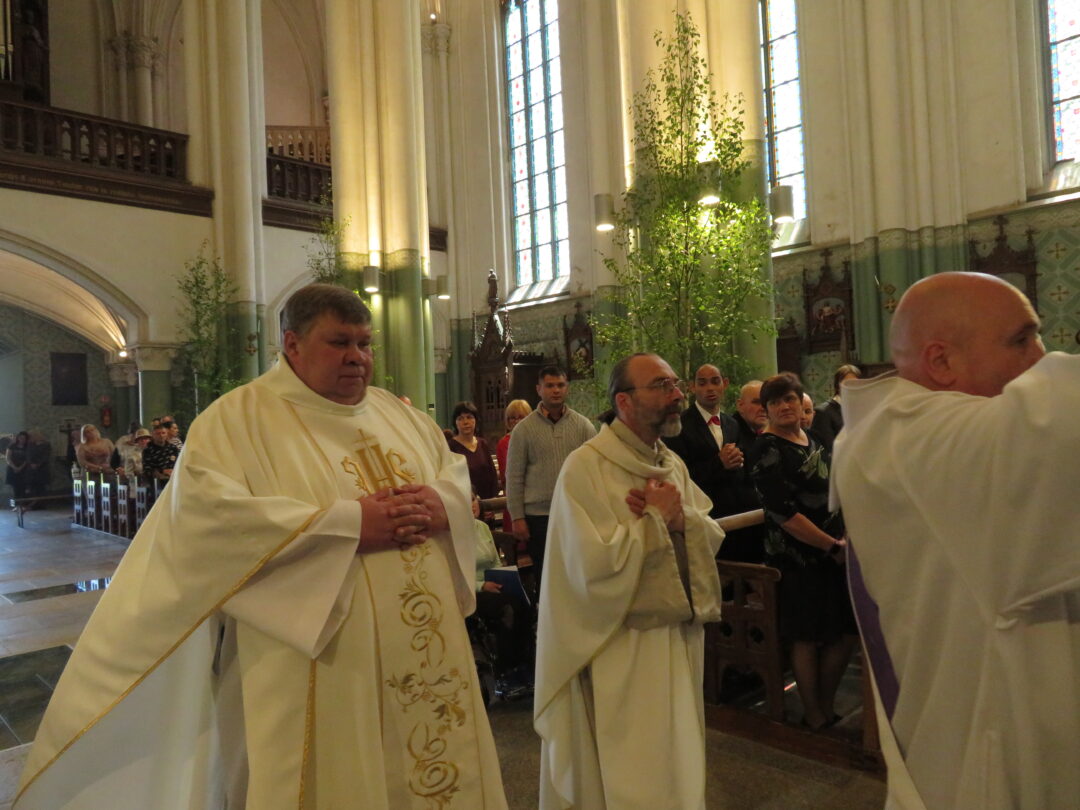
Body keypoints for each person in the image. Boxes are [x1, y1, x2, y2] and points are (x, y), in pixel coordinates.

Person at [15, 283, 507, 810]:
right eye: (339, 343)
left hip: (428, 652)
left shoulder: (401, 416)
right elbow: (209, 523)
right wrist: (349, 525)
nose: (358, 358)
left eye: (365, 343)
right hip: (317, 659)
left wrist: (443, 504)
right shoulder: (236, 421)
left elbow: (452, 476)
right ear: (292, 344)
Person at [831, 271, 1079, 810]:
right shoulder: (909, 436)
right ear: (941, 362)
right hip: (987, 759)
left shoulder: (892, 429)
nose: (1041, 357)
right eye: (1022, 340)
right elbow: (1061, 419)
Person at [535, 353, 724, 810]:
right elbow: (587, 568)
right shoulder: (586, 468)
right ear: (624, 401)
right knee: (632, 764)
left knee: (677, 753)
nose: (677, 395)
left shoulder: (671, 464)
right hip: (619, 645)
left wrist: (679, 521)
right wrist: (656, 522)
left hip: (675, 635)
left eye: (675, 384)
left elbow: (707, 529)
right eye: (661, 386)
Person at [749, 372, 856, 730]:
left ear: (800, 402)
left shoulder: (812, 438)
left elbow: (834, 489)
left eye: (790, 399)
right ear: (766, 410)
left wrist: (843, 537)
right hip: (797, 559)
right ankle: (813, 713)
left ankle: (825, 702)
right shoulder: (766, 449)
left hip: (834, 552)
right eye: (775, 402)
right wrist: (830, 546)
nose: (784, 406)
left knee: (846, 633)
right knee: (806, 637)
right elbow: (784, 514)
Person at [505, 366, 595, 587]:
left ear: (567, 388)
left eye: (560, 385)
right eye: (550, 385)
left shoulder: (584, 426)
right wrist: (517, 517)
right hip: (538, 517)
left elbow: (594, 472)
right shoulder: (523, 430)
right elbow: (514, 476)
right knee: (546, 577)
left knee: (578, 574)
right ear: (539, 389)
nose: (556, 390)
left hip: (575, 513)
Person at [665, 363, 764, 562]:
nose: (709, 388)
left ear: (724, 384)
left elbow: (740, 468)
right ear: (692, 387)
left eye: (715, 382)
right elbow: (680, 477)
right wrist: (718, 463)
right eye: (702, 383)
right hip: (705, 516)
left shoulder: (732, 423)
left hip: (738, 516)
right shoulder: (680, 425)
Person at [446, 401, 500, 500]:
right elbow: (451, 479)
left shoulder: (482, 444)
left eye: (469, 417)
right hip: (464, 501)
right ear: (455, 423)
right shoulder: (451, 447)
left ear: (476, 420)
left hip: (487, 501)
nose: (465, 422)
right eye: (460, 418)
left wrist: (493, 499)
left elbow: (492, 475)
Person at [495, 399, 531, 533]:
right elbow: (509, 476)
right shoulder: (504, 443)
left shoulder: (534, 438)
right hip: (516, 499)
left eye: (521, 417)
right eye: (512, 418)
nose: (516, 421)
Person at [813, 363, 861, 451]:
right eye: (847, 383)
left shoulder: (859, 410)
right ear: (837, 386)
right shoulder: (823, 412)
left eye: (855, 383)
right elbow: (828, 449)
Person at [25, 430, 52, 497]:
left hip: (42, 469)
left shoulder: (46, 444)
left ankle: (41, 501)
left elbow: (46, 456)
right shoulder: (30, 444)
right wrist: (31, 463)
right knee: (32, 488)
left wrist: (38, 464)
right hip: (31, 470)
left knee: (41, 488)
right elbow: (28, 455)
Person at [5, 431, 30, 501]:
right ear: (18, 438)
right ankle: (16, 504)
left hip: (23, 470)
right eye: (21, 438)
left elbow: (27, 459)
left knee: (23, 488)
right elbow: (8, 458)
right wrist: (15, 467)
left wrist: (20, 468)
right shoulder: (11, 446)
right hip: (12, 469)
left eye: (24, 438)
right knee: (15, 489)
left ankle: (23, 503)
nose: (22, 440)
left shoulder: (27, 447)